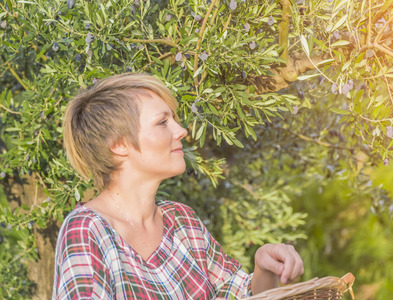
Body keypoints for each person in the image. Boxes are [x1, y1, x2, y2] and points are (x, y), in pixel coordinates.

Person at [52, 73, 304, 299]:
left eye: (174, 119)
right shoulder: (87, 230)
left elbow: (237, 292)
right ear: (119, 144)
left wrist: (264, 268)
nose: (181, 130)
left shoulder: (182, 220)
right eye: (163, 122)